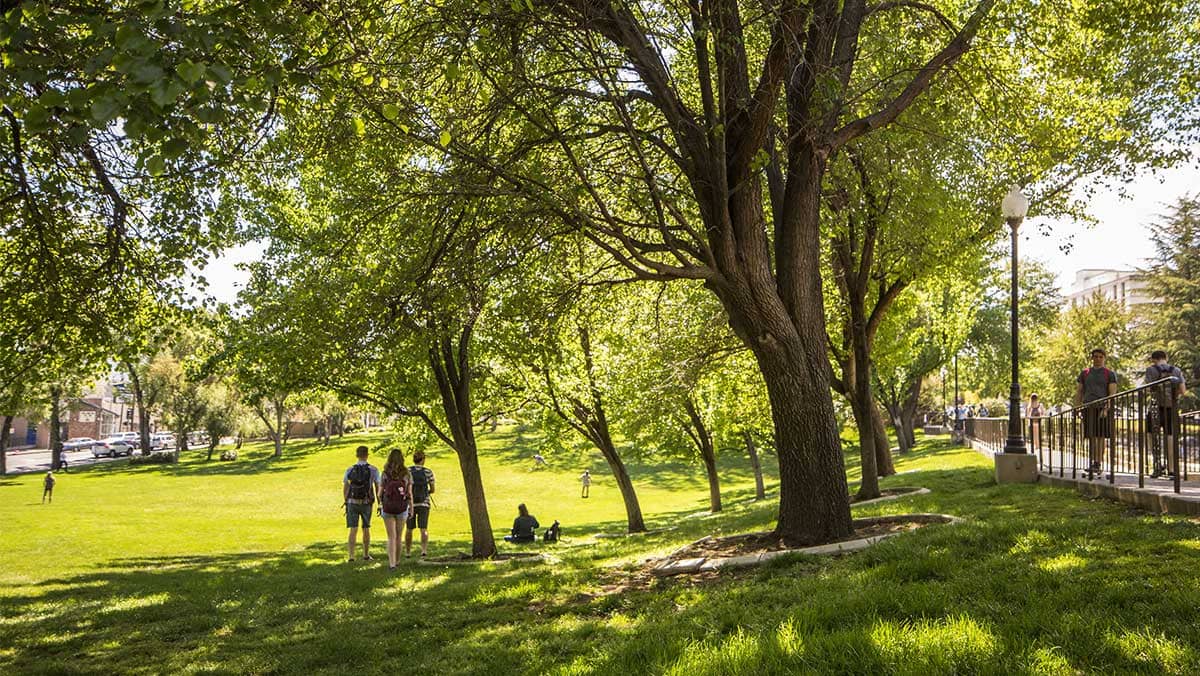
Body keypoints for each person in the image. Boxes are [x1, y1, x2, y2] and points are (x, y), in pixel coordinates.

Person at [1076, 348, 1118, 478]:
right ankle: (1093, 461)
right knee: (1091, 436)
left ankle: (1098, 462)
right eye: (1095, 356)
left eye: (1100, 357)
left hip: (1103, 408)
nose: (1098, 359)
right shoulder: (1085, 373)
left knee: (1100, 437)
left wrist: (1107, 408)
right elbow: (1079, 391)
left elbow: (1112, 393)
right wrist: (1077, 407)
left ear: (1104, 358)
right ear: (1092, 358)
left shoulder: (1109, 374)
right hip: (1088, 407)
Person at [1145, 350, 1187, 478]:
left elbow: (1147, 388)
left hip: (1155, 408)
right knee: (1170, 437)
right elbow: (1183, 390)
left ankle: (1158, 466)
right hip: (1171, 408)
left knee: (1151, 435)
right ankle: (1172, 469)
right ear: (1166, 357)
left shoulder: (1151, 370)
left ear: (1153, 359)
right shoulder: (1176, 370)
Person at [343, 445, 381, 562]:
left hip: (352, 502)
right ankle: (365, 554)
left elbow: (346, 487)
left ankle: (351, 556)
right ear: (367, 455)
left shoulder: (350, 469)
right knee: (366, 528)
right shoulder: (373, 470)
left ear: (357, 455)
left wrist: (346, 501)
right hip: (366, 502)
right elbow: (378, 486)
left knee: (353, 529)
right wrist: (380, 503)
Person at [379, 449, 413, 571]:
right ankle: (397, 561)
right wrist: (411, 508)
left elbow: (379, 493)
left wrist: (381, 503)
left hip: (387, 508)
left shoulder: (384, 473)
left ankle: (392, 564)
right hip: (402, 507)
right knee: (399, 536)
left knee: (391, 537)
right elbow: (409, 493)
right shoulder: (406, 473)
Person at [405, 449, 435, 558]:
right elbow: (433, 489)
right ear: (423, 460)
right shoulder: (428, 472)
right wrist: (427, 492)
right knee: (423, 528)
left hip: (410, 504)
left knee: (409, 529)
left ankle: (408, 552)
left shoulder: (407, 471)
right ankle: (423, 550)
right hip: (424, 503)